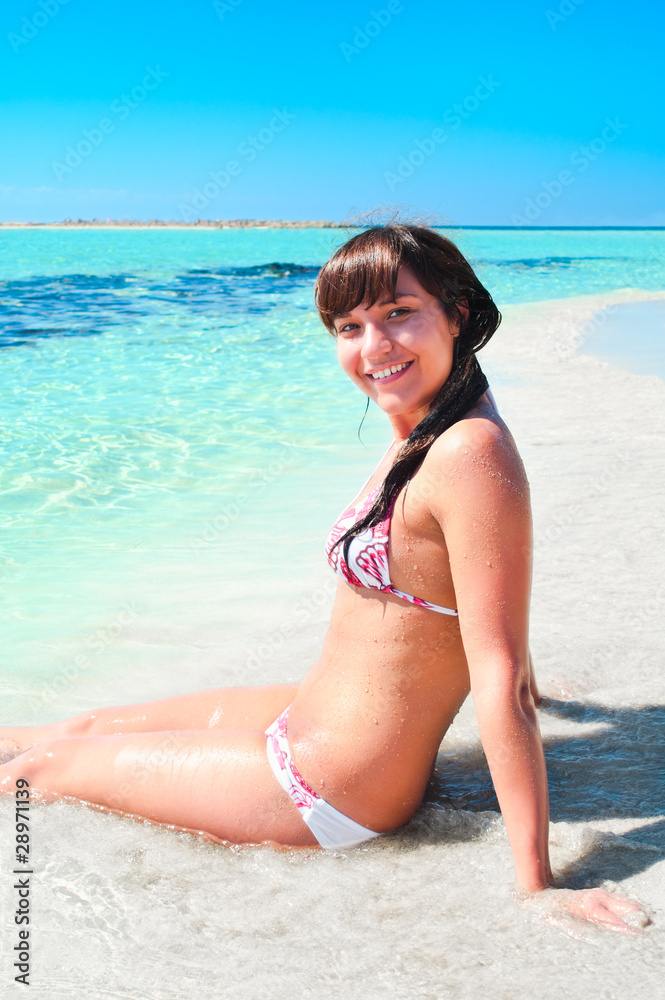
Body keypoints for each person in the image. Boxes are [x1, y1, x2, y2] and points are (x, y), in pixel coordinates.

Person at [0, 224, 647, 933]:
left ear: (457, 313)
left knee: (44, 768)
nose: (373, 348)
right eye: (349, 325)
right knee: (72, 728)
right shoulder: (431, 424)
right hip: (309, 721)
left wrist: (538, 884)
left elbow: (494, 669)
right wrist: (555, 693)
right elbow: (484, 592)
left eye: (399, 313)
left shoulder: (468, 450)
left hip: (328, 787)